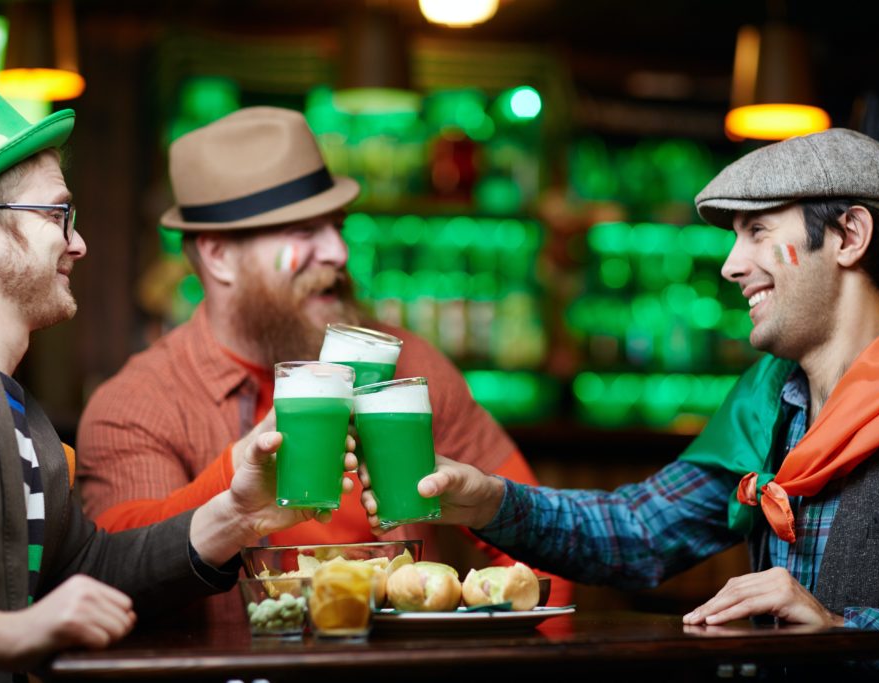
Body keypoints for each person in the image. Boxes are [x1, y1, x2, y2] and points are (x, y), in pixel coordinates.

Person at [361, 128, 879, 674]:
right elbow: (637, 532)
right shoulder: (766, 405)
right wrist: (489, 501)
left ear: (850, 236)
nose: (730, 265)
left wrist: (849, 632)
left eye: (758, 232)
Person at [75, 106, 572, 624]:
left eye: (336, 226)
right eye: (303, 232)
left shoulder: (411, 367)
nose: (337, 251)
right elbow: (117, 570)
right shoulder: (137, 403)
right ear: (219, 256)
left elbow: (544, 547)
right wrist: (235, 472)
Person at [0, 72, 347, 682]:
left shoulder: (23, 418)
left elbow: (90, 567)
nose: (78, 244)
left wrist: (236, 515)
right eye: (58, 214)